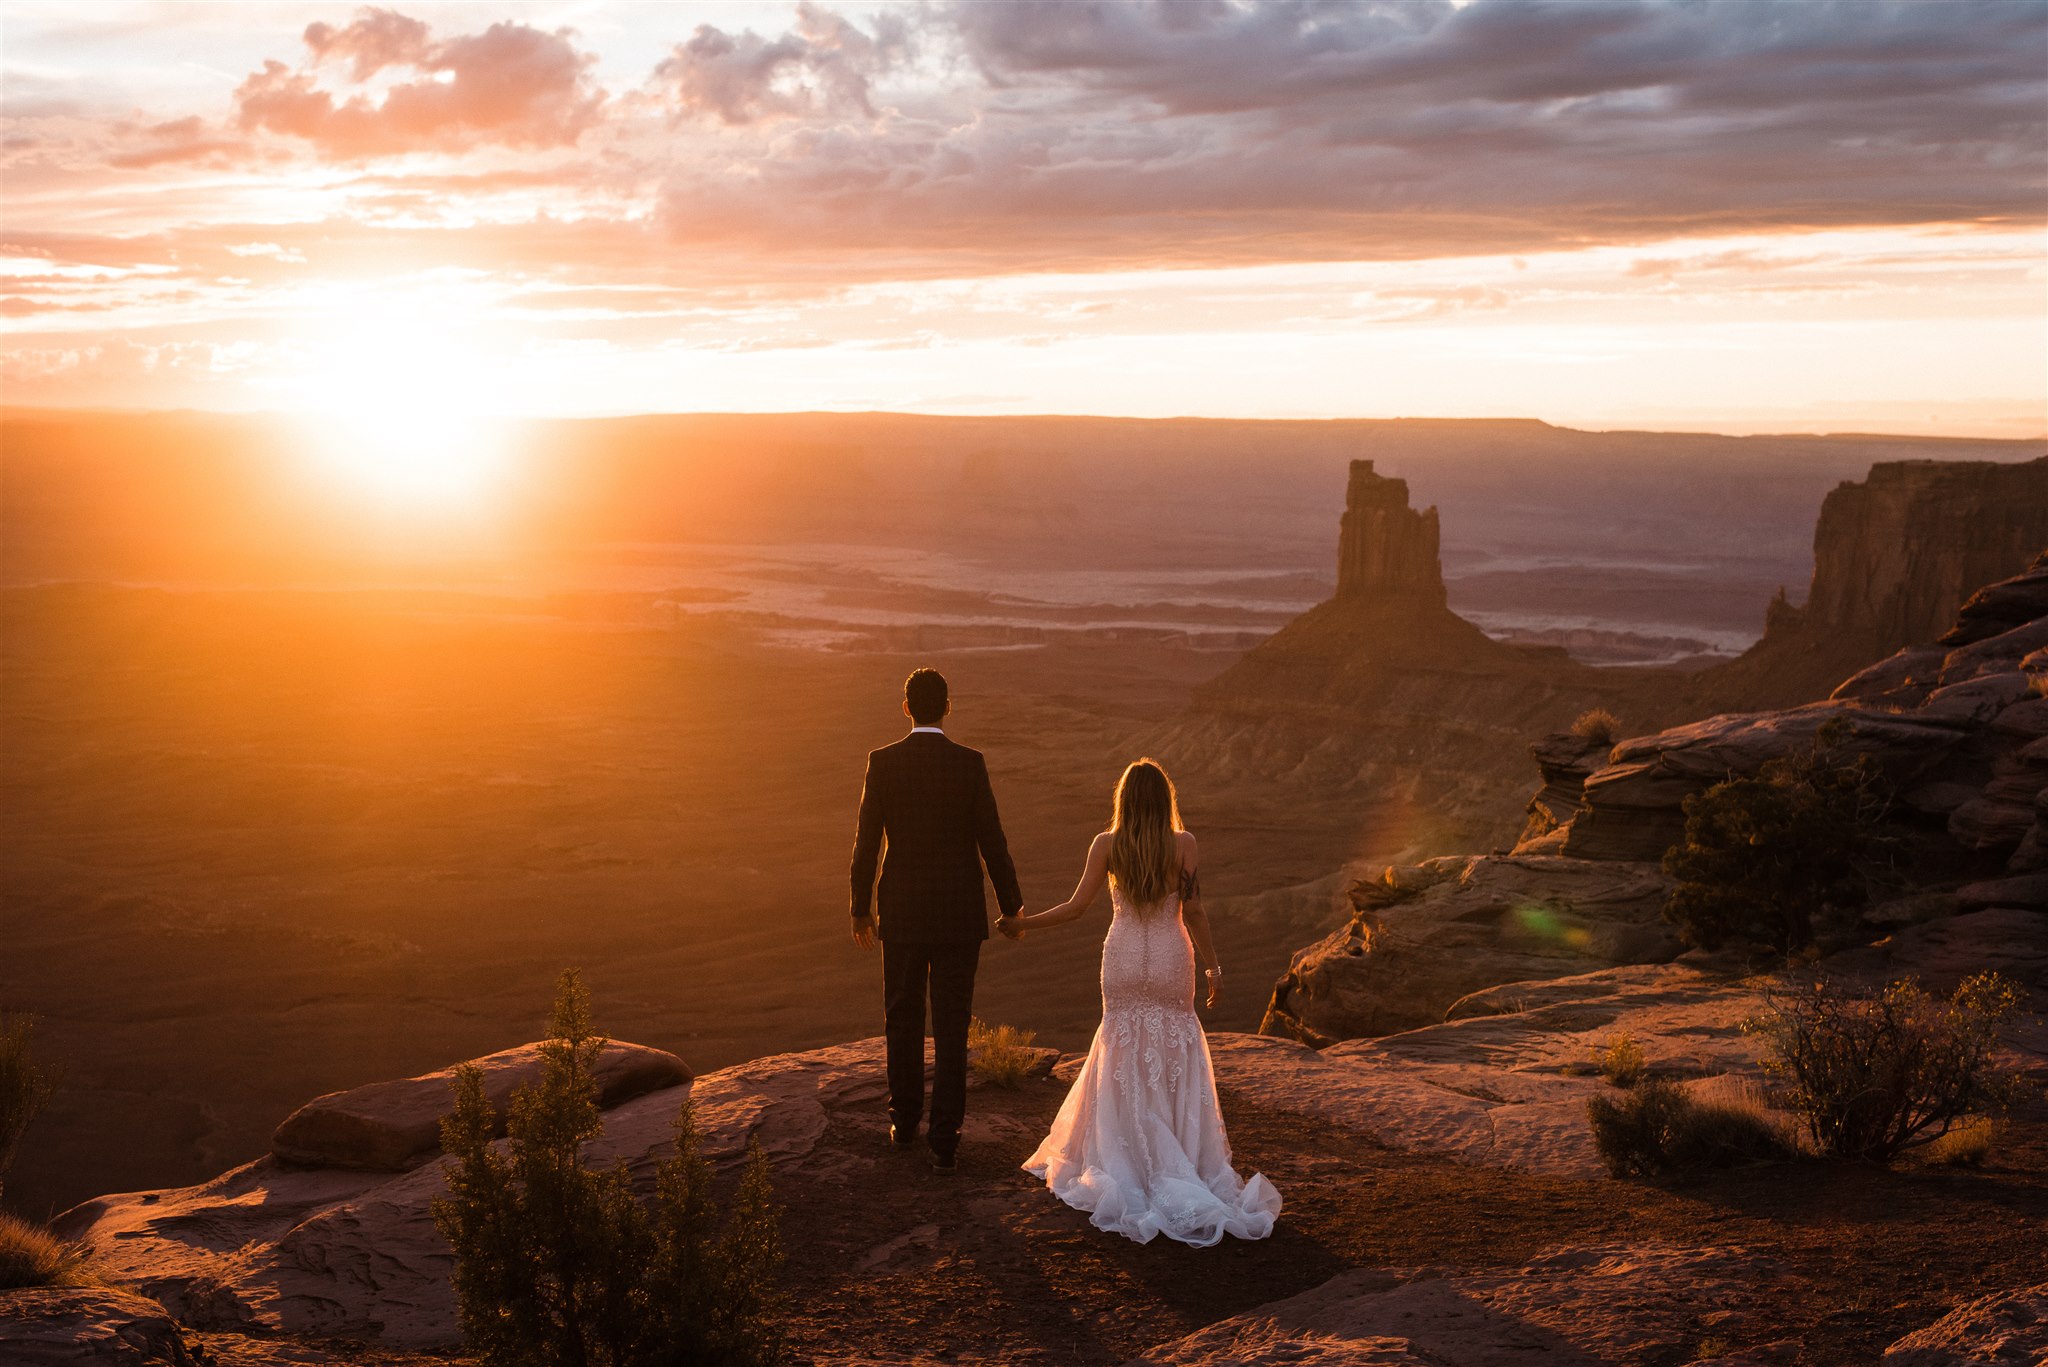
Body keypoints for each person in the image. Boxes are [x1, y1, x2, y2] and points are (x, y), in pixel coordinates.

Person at [1001, 758, 1280, 1245]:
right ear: (1165, 799)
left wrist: (1024, 924)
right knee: (1175, 1046)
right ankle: (1178, 1156)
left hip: (1124, 958)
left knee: (1122, 1048)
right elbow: (1193, 909)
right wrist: (1214, 967)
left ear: (1124, 801)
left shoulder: (1106, 845)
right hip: (1172, 957)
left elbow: (1077, 906)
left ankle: (1125, 1157)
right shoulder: (1184, 844)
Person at [849, 667, 1023, 1174]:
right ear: (949, 707)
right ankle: (945, 1139)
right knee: (952, 1024)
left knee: (901, 1016)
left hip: (901, 911)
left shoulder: (882, 763)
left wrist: (861, 908)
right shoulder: (970, 764)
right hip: (958, 915)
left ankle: (903, 1123)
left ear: (906, 708)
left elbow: (866, 844)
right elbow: (993, 841)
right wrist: (1012, 908)